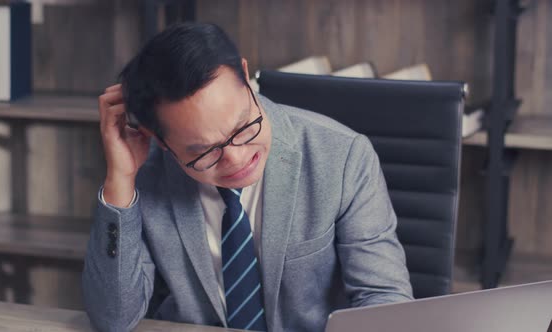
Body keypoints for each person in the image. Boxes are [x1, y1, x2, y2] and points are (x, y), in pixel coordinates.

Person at [82, 22, 413, 332]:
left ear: (244, 75)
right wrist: (120, 181)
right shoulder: (143, 171)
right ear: (160, 140)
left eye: (243, 126)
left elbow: (385, 300)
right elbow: (114, 319)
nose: (237, 158)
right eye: (204, 151)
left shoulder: (343, 157)